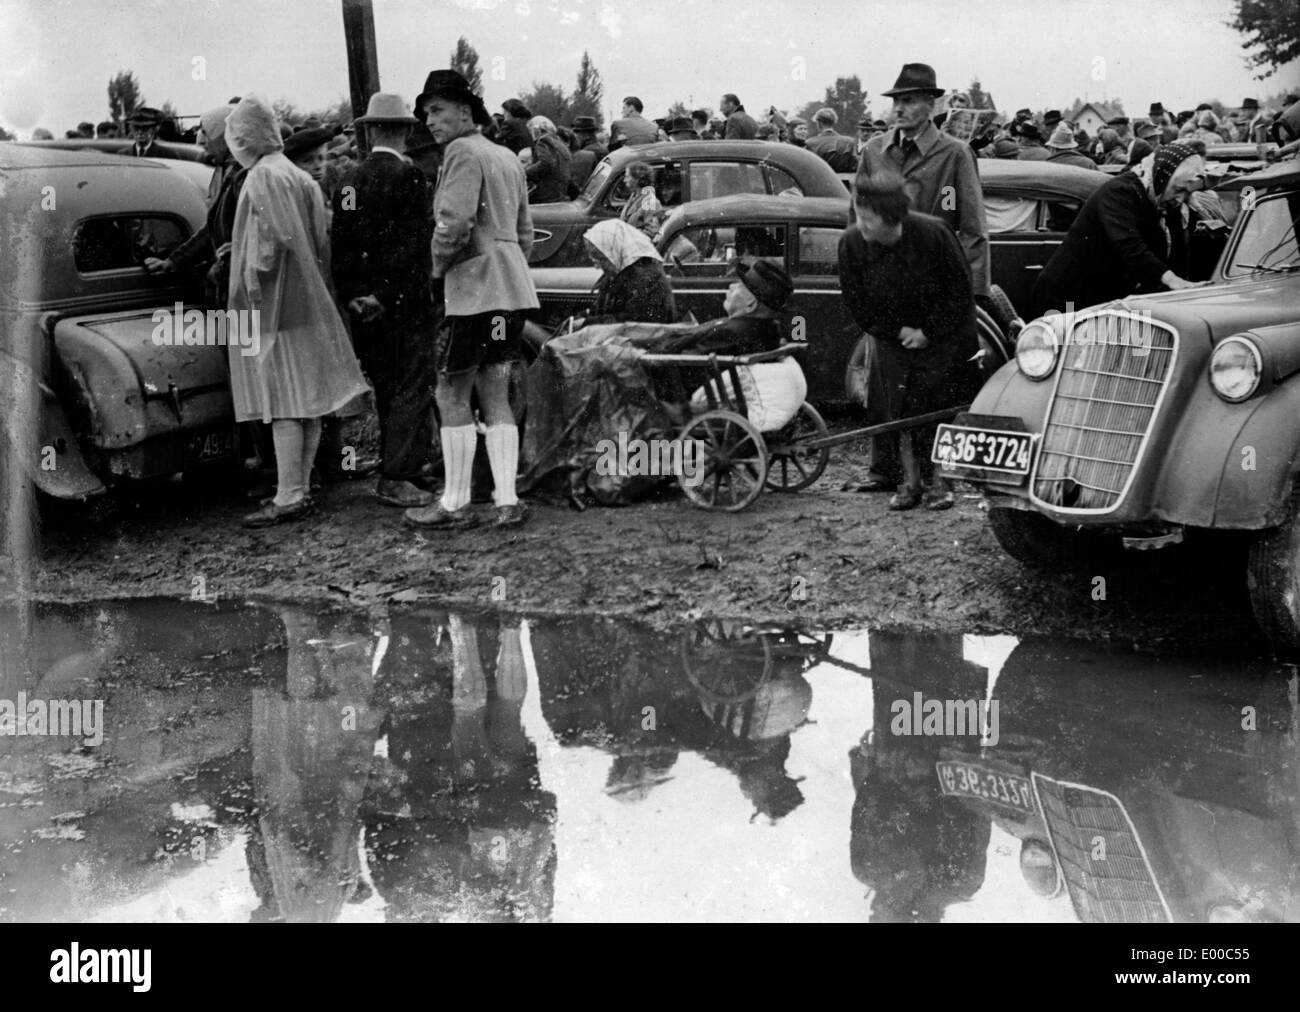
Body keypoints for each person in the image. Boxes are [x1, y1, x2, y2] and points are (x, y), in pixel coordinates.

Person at [223, 93, 371, 528]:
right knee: (306, 400)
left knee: (282, 402)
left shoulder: (264, 176)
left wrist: (251, 286)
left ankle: (289, 494)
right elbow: (319, 241)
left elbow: (268, 245)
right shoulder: (297, 176)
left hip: (275, 305)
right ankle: (300, 488)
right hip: (307, 299)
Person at [404, 70, 539, 532]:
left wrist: (436, 270)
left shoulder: (461, 152)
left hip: (472, 292)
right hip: (511, 289)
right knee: (496, 391)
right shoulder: (505, 156)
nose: (430, 122)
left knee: (451, 390)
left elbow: (454, 224)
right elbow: (525, 233)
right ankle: (507, 501)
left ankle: (454, 503)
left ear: (466, 111)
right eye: (426, 114)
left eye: (438, 111)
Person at [839, 170, 978, 511]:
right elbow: (859, 304)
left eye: (869, 219)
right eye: (858, 215)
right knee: (899, 410)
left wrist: (928, 332)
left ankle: (941, 482)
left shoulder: (934, 234)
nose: (862, 225)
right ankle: (909, 481)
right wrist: (898, 332)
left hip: (943, 336)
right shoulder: (852, 244)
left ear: (893, 218)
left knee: (937, 410)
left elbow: (960, 293)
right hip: (894, 337)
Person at [330, 92, 438, 510]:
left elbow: (342, 244)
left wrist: (357, 295)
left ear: (371, 129)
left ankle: (400, 464)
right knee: (413, 382)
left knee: (388, 386)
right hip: (405, 305)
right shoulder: (409, 178)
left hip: (365, 309)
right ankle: (398, 475)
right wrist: (388, 294)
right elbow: (412, 249)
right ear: (407, 131)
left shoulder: (349, 181)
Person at [1030, 142, 1210, 319]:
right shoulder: (1119, 192)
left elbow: (1175, 251)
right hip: (1067, 300)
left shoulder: (1162, 200)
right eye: (1179, 189)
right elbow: (1130, 245)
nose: (1181, 199)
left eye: (1187, 193)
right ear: (1162, 176)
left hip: (1103, 298)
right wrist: (1174, 282)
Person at [145, 102, 246, 307]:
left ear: (223, 137)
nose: (202, 141)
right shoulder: (223, 172)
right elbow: (211, 230)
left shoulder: (243, 177)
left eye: (207, 134)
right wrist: (172, 262)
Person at [579, 219, 677, 325]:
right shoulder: (617, 273)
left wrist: (587, 322)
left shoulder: (648, 281)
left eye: (601, 259)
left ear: (616, 250)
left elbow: (631, 324)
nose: (597, 267)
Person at [524, 115, 571, 203]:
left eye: (530, 131)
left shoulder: (543, 141)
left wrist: (525, 173)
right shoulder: (560, 144)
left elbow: (546, 163)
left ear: (536, 130)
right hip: (559, 193)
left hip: (545, 192)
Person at [619, 160, 663, 238]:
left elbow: (652, 233)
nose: (624, 180)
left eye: (627, 177)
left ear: (637, 179)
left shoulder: (650, 202)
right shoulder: (633, 196)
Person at [568, 115, 607, 191]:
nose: (575, 137)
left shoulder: (587, 152)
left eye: (577, 134)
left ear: (586, 135)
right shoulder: (602, 148)